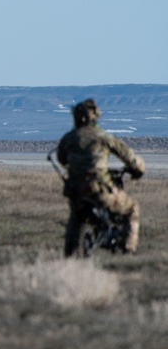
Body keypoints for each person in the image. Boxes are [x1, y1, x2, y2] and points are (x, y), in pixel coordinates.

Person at [57, 99, 145, 256]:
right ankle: (129, 248)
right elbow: (132, 160)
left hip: (75, 191)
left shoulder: (68, 139)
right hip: (100, 190)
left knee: (75, 218)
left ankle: (69, 253)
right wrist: (138, 170)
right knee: (132, 208)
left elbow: (61, 159)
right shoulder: (103, 137)